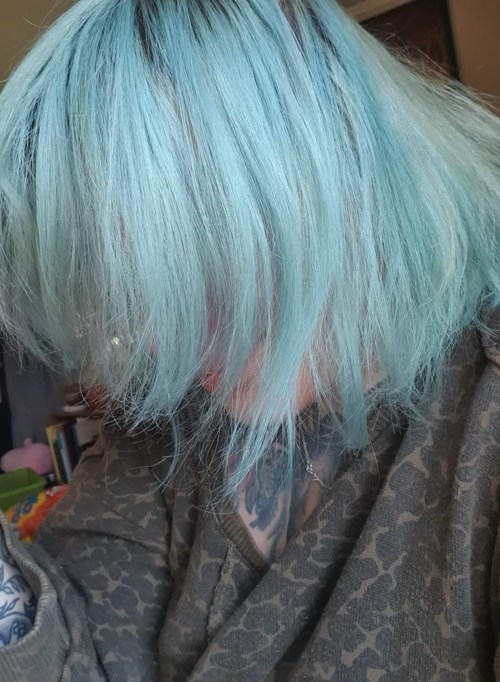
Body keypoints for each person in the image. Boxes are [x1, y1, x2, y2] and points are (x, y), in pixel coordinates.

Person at [0, 0, 499, 679]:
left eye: (190, 262)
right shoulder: (169, 423)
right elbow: (79, 655)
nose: (154, 343)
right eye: (127, 292)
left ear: (338, 155)